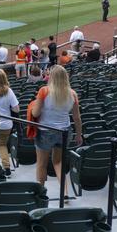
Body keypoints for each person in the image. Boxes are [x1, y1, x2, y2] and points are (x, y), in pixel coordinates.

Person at [31, 65, 83, 197]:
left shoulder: (44, 91)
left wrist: (31, 108)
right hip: (65, 131)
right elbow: (77, 118)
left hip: (45, 132)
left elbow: (36, 113)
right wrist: (78, 134)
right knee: (58, 162)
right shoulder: (73, 93)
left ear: (52, 77)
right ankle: (64, 192)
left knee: (41, 164)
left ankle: (40, 193)